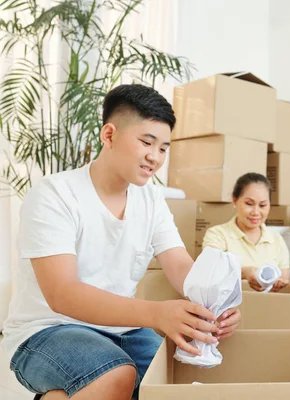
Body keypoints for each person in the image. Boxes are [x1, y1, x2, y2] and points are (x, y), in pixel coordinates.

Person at [2, 84, 241, 400]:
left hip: (123, 332)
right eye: (146, 142)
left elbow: (181, 265)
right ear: (109, 135)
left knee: (180, 373)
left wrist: (218, 305)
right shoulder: (54, 194)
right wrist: (156, 314)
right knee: (116, 375)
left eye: (164, 148)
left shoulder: (151, 200)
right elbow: (63, 294)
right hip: (45, 331)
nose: (155, 157)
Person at [203, 173, 290, 292]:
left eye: (262, 205)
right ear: (235, 200)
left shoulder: (276, 240)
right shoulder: (217, 234)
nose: (256, 212)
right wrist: (244, 272)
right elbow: (211, 268)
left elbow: (284, 279)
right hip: (228, 308)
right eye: (249, 204)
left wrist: (280, 282)